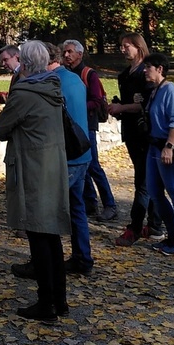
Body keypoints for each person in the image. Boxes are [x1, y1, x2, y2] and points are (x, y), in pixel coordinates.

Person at [0, 40, 70, 321]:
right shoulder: (53, 87)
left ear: (24, 63)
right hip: (53, 166)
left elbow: (1, 129)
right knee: (51, 235)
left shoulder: (25, 93)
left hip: (33, 168)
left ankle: (46, 303)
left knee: (38, 234)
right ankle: (59, 300)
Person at [109, 32, 163, 247]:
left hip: (145, 133)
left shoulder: (146, 73)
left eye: (127, 46)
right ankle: (155, 224)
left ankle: (136, 227)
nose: (123, 50)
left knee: (143, 181)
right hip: (131, 131)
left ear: (138, 47)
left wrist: (122, 107)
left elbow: (146, 104)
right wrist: (119, 108)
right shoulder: (125, 75)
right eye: (121, 46)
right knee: (147, 179)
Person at [47, 45, 94, 276]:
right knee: (77, 209)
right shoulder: (74, 78)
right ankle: (82, 258)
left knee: (50, 211)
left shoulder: (52, 82)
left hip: (66, 156)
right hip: (82, 153)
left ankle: (48, 263)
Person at [142, 52, 174, 256]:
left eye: (148, 67)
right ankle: (173, 236)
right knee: (155, 192)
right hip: (155, 146)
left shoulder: (171, 91)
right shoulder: (155, 90)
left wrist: (169, 146)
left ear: (160, 69)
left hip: (172, 148)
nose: (145, 70)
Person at [62, 39, 117, 222]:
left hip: (87, 125)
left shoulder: (88, 74)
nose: (66, 55)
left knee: (92, 165)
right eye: (64, 52)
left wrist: (76, 106)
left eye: (70, 51)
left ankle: (110, 205)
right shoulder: (66, 73)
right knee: (81, 166)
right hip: (72, 126)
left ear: (80, 54)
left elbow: (97, 100)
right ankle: (90, 202)